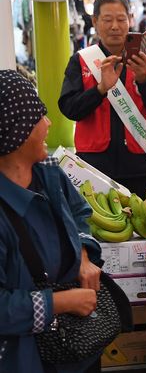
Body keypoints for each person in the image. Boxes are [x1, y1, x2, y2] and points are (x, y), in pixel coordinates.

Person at [0, 69, 104, 373]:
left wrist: (83, 255)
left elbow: (80, 213)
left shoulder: (49, 172)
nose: (47, 124)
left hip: (77, 341)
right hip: (24, 357)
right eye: (38, 118)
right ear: (16, 133)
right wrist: (60, 303)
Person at [59, 0, 146, 196]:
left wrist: (144, 80)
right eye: (107, 20)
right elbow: (69, 108)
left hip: (137, 165)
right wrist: (100, 90)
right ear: (95, 21)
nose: (115, 26)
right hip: (93, 166)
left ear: (130, 19)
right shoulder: (81, 60)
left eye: (121, 19)